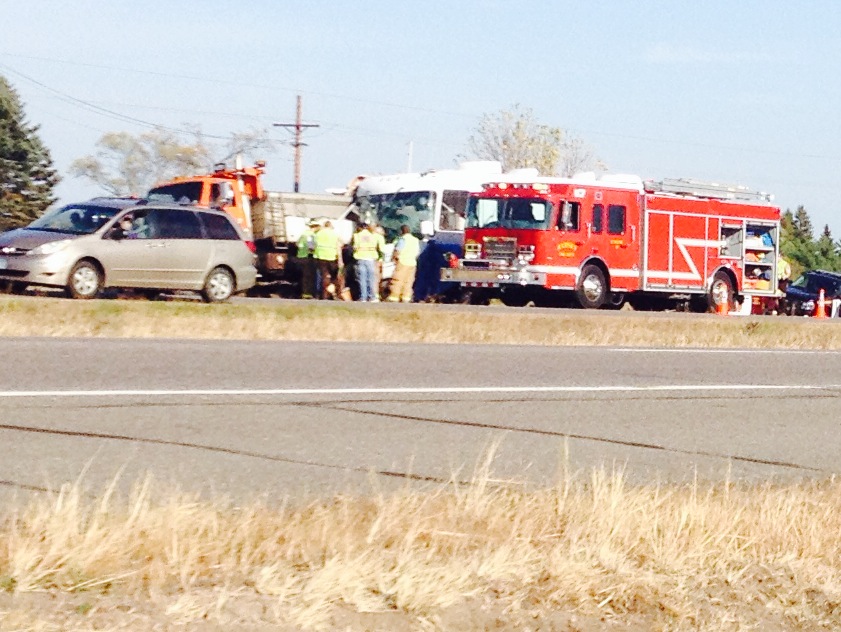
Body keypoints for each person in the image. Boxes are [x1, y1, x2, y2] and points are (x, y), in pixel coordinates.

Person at [387, 224, 420, 302]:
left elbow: (398, 250)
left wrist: (393, 258)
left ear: (402, 231)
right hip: (412, 263)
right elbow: (417, 252)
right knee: (408, 281)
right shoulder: (415, 240)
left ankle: (394, 297)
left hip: (402, 262)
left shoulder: (403, 239)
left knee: (398, 280)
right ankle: (406, 297)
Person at [352, 222, 382, 302]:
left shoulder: (357, 235)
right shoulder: (375, 235)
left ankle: (363, 297)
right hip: (371, 258)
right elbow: (381, 248)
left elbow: (355, 247)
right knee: (371, 279)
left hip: (360, 258)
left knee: (362, 279)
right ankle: (372, 297)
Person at [313, 220, 342, 299]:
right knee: (333, 277)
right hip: (332, 257)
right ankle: (333, 294)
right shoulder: (334, 234)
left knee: (324, 276)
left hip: (320, 257)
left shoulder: (318, 234)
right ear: (330, 226)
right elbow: (338, 247)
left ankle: (323, 295)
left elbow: (313, 245)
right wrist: (340, 260)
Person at [296, 220, 319, 299]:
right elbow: (311, 247)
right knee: (308, 276)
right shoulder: (311, 235)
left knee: (303, 276)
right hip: (307, 257)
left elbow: (297, 244)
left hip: (300, 256)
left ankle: (303, 292)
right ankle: (307, 293)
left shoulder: (304, 234)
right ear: (315, 227)